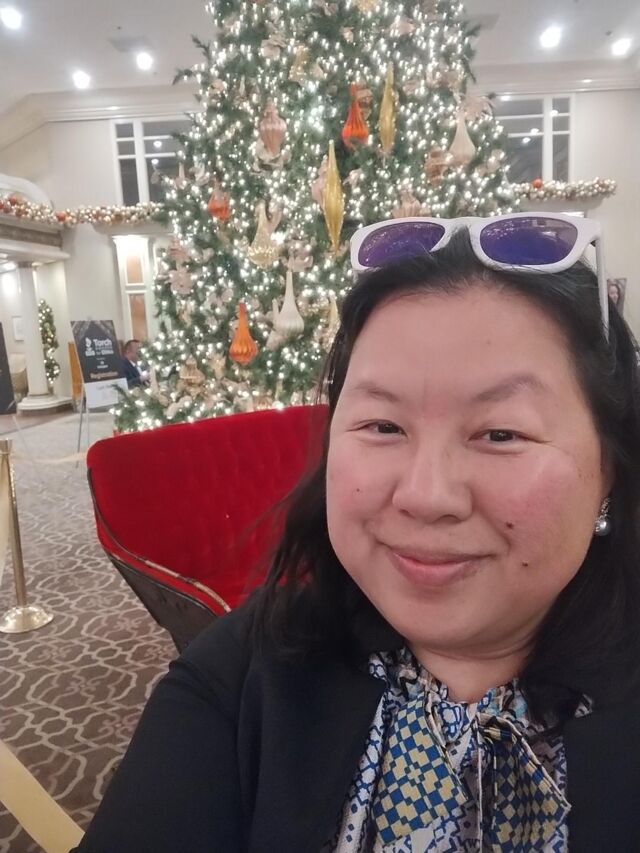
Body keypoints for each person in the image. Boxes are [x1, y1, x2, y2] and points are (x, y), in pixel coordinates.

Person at [73, 215, 640, 853]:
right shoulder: (245, 673)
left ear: (609, 468)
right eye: (383, 426)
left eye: (501, 433)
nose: (424, 495)